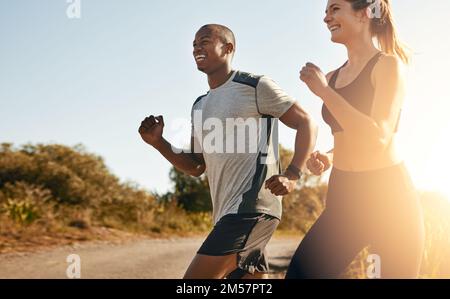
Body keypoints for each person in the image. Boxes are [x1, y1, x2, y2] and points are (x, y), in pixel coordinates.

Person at [139, 24, 317, 279]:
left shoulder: (255, 85)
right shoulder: (200, 106)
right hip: (225, 214)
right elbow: (196, 166)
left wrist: (292, 174)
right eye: (194, 44)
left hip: (252, 208)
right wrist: (159, 143)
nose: (197, 48)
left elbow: (306, 122)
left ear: (228, 48)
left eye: (205, 41)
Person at [286, 0, 425, 279]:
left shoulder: (388, 66)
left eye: (335, 9)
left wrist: (324, 93)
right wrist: (329, 156)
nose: (326, 17)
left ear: (364, 14)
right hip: (344, 195)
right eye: (326, 11)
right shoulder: (333, 76)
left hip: (388, 198)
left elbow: (379, 135)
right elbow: (349, 133)